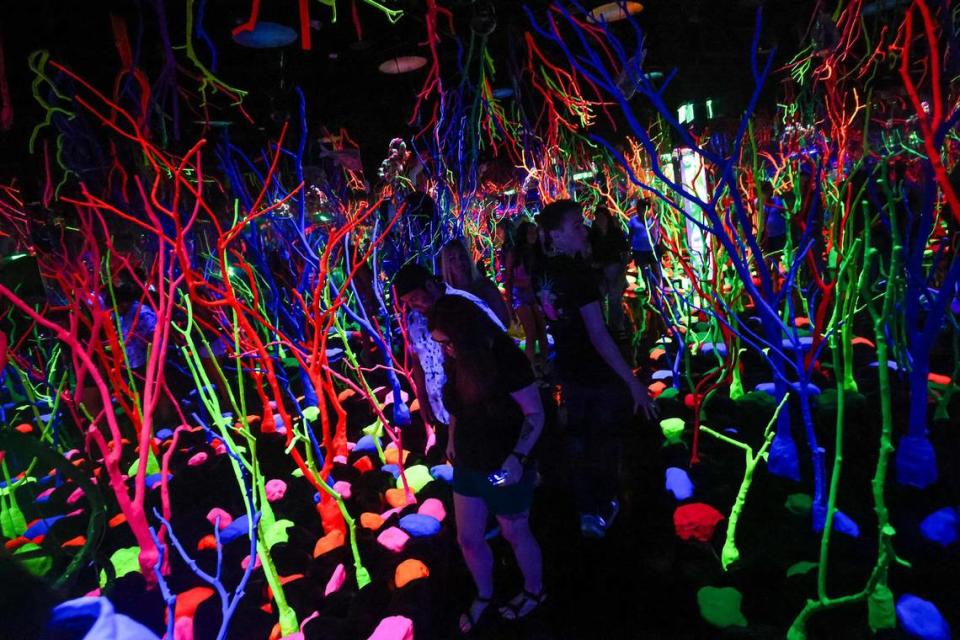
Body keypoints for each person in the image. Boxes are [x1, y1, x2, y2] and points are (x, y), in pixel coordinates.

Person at [537, 199, 658, 538]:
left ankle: (587, 512)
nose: (584, 229)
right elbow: (599, 334)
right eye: (576, 225)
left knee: (578, 442)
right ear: (555, 235)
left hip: (570, 371)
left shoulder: (544, 272)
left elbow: (555, 320)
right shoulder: (578, 275)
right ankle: (606, 507)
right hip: (597, 373)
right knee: (603, 442)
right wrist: (632, 382)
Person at [428, 295, 546, 632]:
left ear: (464, 333)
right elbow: (456, 405)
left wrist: (518, 458)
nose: (445, 350)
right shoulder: (457, 356)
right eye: (440, 343)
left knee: (513, 529)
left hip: (502, 467)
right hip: (469, 464)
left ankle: (535, 591)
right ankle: (485, 593)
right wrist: (451, 439)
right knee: (468, 537)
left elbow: (535, 414)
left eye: (447, 341)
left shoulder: (505, 357)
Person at [393, 264, 504, 431]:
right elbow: (417, 358)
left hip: (476, 407)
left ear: (429, 285)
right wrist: (422, 398)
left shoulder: (465, 303)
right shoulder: (414, 319)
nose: (412, 306)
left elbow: (498, 340)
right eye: (407, 302)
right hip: (440, 409)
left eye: (414, 298)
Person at [503, 221, 548, 369]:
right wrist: (509, 304)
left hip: (533, 294)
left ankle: (544, 365)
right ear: (523, 234)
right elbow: (508, 279)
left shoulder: (537, 252)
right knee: (531, 332)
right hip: (519, 295)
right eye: (530, 232)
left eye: (534, 232)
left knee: (542, 331)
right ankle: (531, 371)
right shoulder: (514, 253)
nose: (533, 235)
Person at [439, 238, 512, 328]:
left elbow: (504, 321)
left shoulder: (485, 286)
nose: (459, 262)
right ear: (446, 265)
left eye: (462, 256)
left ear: (468, 258)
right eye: (452, 259)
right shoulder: (446, 296)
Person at [588, 206, 630, 334]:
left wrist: (623, 267)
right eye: (598, 217)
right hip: (600, 271)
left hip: (615, 268)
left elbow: (625, 250)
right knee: (601, 299)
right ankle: (605, 326)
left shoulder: (615, 233)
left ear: (607, 218)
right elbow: (590, 252)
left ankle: (618, 326)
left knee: (614, 299)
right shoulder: (593, 235)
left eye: (602, 217)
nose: (600, 220)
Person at [628, 198, 661, 288]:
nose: (641, 211)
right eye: (639, 208)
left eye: (643, 208)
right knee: (644, 271)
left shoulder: (653, 219)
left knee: (656, 270)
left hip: (652, 249)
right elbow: (630, 235)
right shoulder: (633, 220)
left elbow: (657, 233)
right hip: (639, 250)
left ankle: (657, 288)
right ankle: (649, 289)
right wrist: (629, 249)